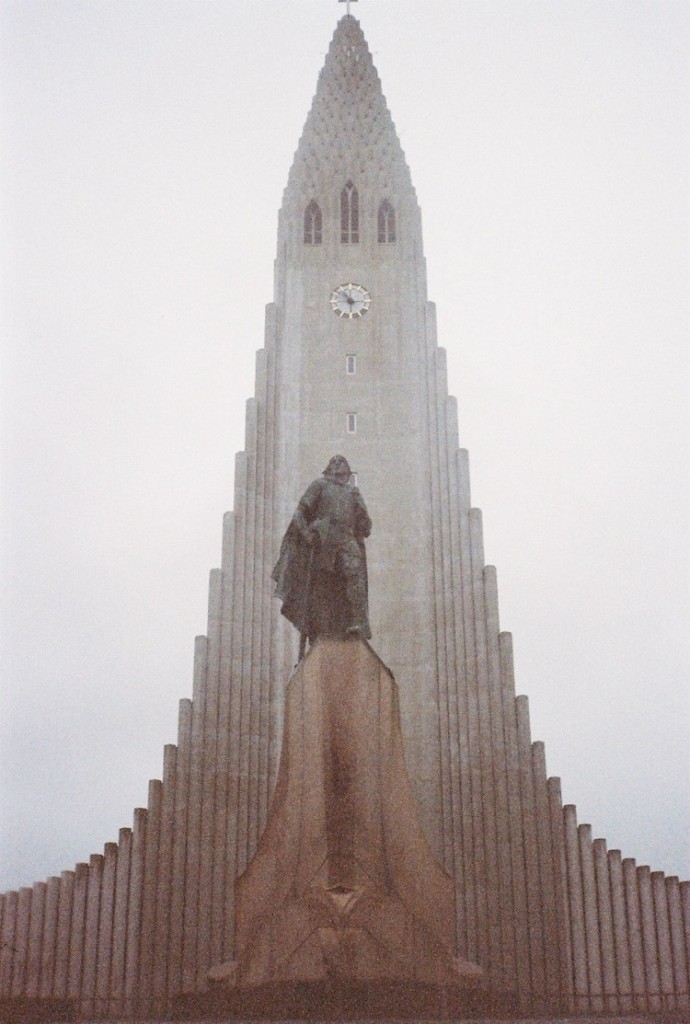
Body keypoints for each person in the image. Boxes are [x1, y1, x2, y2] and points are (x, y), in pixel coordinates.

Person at [272, 455, 371, 656]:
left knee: (355, 580)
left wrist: (361, 511)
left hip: (346, 541)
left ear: (348, 470)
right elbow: (299, 514)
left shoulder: (353, 493)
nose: (337, 464)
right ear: (328, 468)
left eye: (342, 462)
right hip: (325, 543)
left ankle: (356, 623)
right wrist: (308, 535)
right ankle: (318, 630)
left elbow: (366, 527)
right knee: (322, 589)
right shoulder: (319, 485)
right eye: (334, 462)